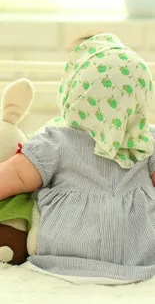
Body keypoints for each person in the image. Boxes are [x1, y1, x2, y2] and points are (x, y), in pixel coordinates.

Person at [1, 32, 155, 284]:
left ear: (74, 92)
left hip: (67, 246)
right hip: (139, 251)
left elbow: (16, 174)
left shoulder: (58, 139)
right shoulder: (147, 139)